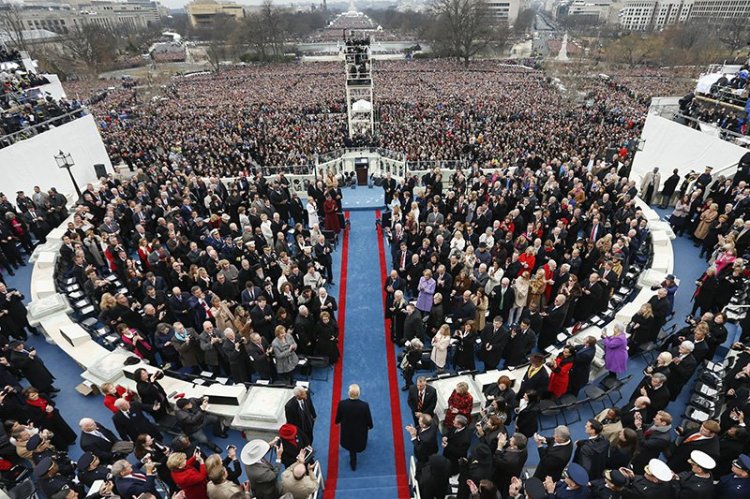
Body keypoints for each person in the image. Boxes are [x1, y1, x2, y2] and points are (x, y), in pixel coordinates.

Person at [334, 384, 373, 471]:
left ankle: (353, 463)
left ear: (348, 393)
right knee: (358, 443)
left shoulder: (342, 404)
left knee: (351, 447)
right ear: (359, 394)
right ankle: (354, 460)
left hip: (347, 431)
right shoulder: (364, 405)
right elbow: (368, 418)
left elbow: (338, 418)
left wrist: (337, 421)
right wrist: (370, 426)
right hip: (360, 431)